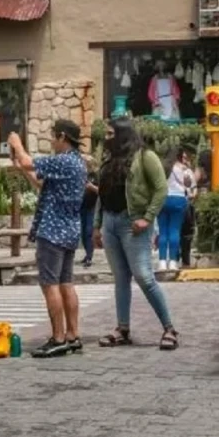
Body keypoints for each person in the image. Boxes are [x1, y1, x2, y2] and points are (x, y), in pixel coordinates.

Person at [94, 117, 179, 351]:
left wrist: (148, 218)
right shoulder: (109, 160)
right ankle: (122, 328)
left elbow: (161, 189)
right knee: (120, 279)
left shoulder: (145, 157)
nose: (107, 139)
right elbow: (103, 193)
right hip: (110, 222)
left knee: (144, 276)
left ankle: (169, 328)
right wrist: (97, 225)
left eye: (111, 134)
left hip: (133, 224)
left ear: (123, 135)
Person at [8, 121, 88, 358]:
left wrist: (17, 144)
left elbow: (27, 160)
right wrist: (23, 168)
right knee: (66, 283)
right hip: (69, 230)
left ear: (63, 137)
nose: (52, 141)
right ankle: (73, 335)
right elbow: (41, 183)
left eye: (53, 136)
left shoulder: (64, 160)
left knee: (50, 285)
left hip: (52, 231)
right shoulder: (76, 162)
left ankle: (58, 337)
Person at [157, 146, 196, 271]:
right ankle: (173, 262)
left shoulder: (161, 167)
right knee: (174, 230)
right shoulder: (184, 169)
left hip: (162, 199)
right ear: (180, 156)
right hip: (178, 200)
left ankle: (162, 261)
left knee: (163, 231)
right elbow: (190, 186)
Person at [80, 157, 100, 267]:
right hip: (82, 206)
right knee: (83, 233)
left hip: (92, 207)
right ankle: (87, 254)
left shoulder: (96, 176)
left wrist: (91, 187)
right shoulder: (82, 175)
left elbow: (101, 190)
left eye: (85, 162)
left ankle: (89, 257)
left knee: (88, 231)